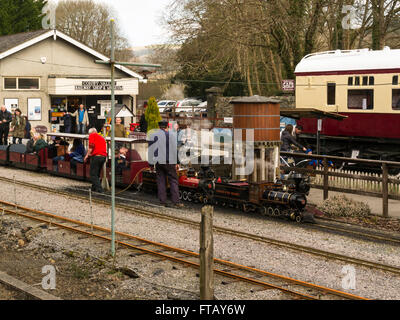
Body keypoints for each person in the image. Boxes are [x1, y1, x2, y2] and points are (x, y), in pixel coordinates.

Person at [147, 120, 183, 208]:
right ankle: (176, 202)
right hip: (170, 162)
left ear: (159, 127)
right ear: (167, 126)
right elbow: (175, 150)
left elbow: (150, 151)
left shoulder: (153, 135)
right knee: (173, 180)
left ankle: (162, 201)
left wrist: (151, 164)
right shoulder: (171, 135)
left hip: (159, 162)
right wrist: (177, 162)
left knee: (161, 180)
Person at [84, 128, 107, 193]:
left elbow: (91, 146)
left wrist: (87, 155)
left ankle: (99, 189)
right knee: (97, 173)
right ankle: (94, 187)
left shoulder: (92, 135)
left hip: (97, 157)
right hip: (103, 157)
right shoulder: (101, 137)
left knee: (93, 174)